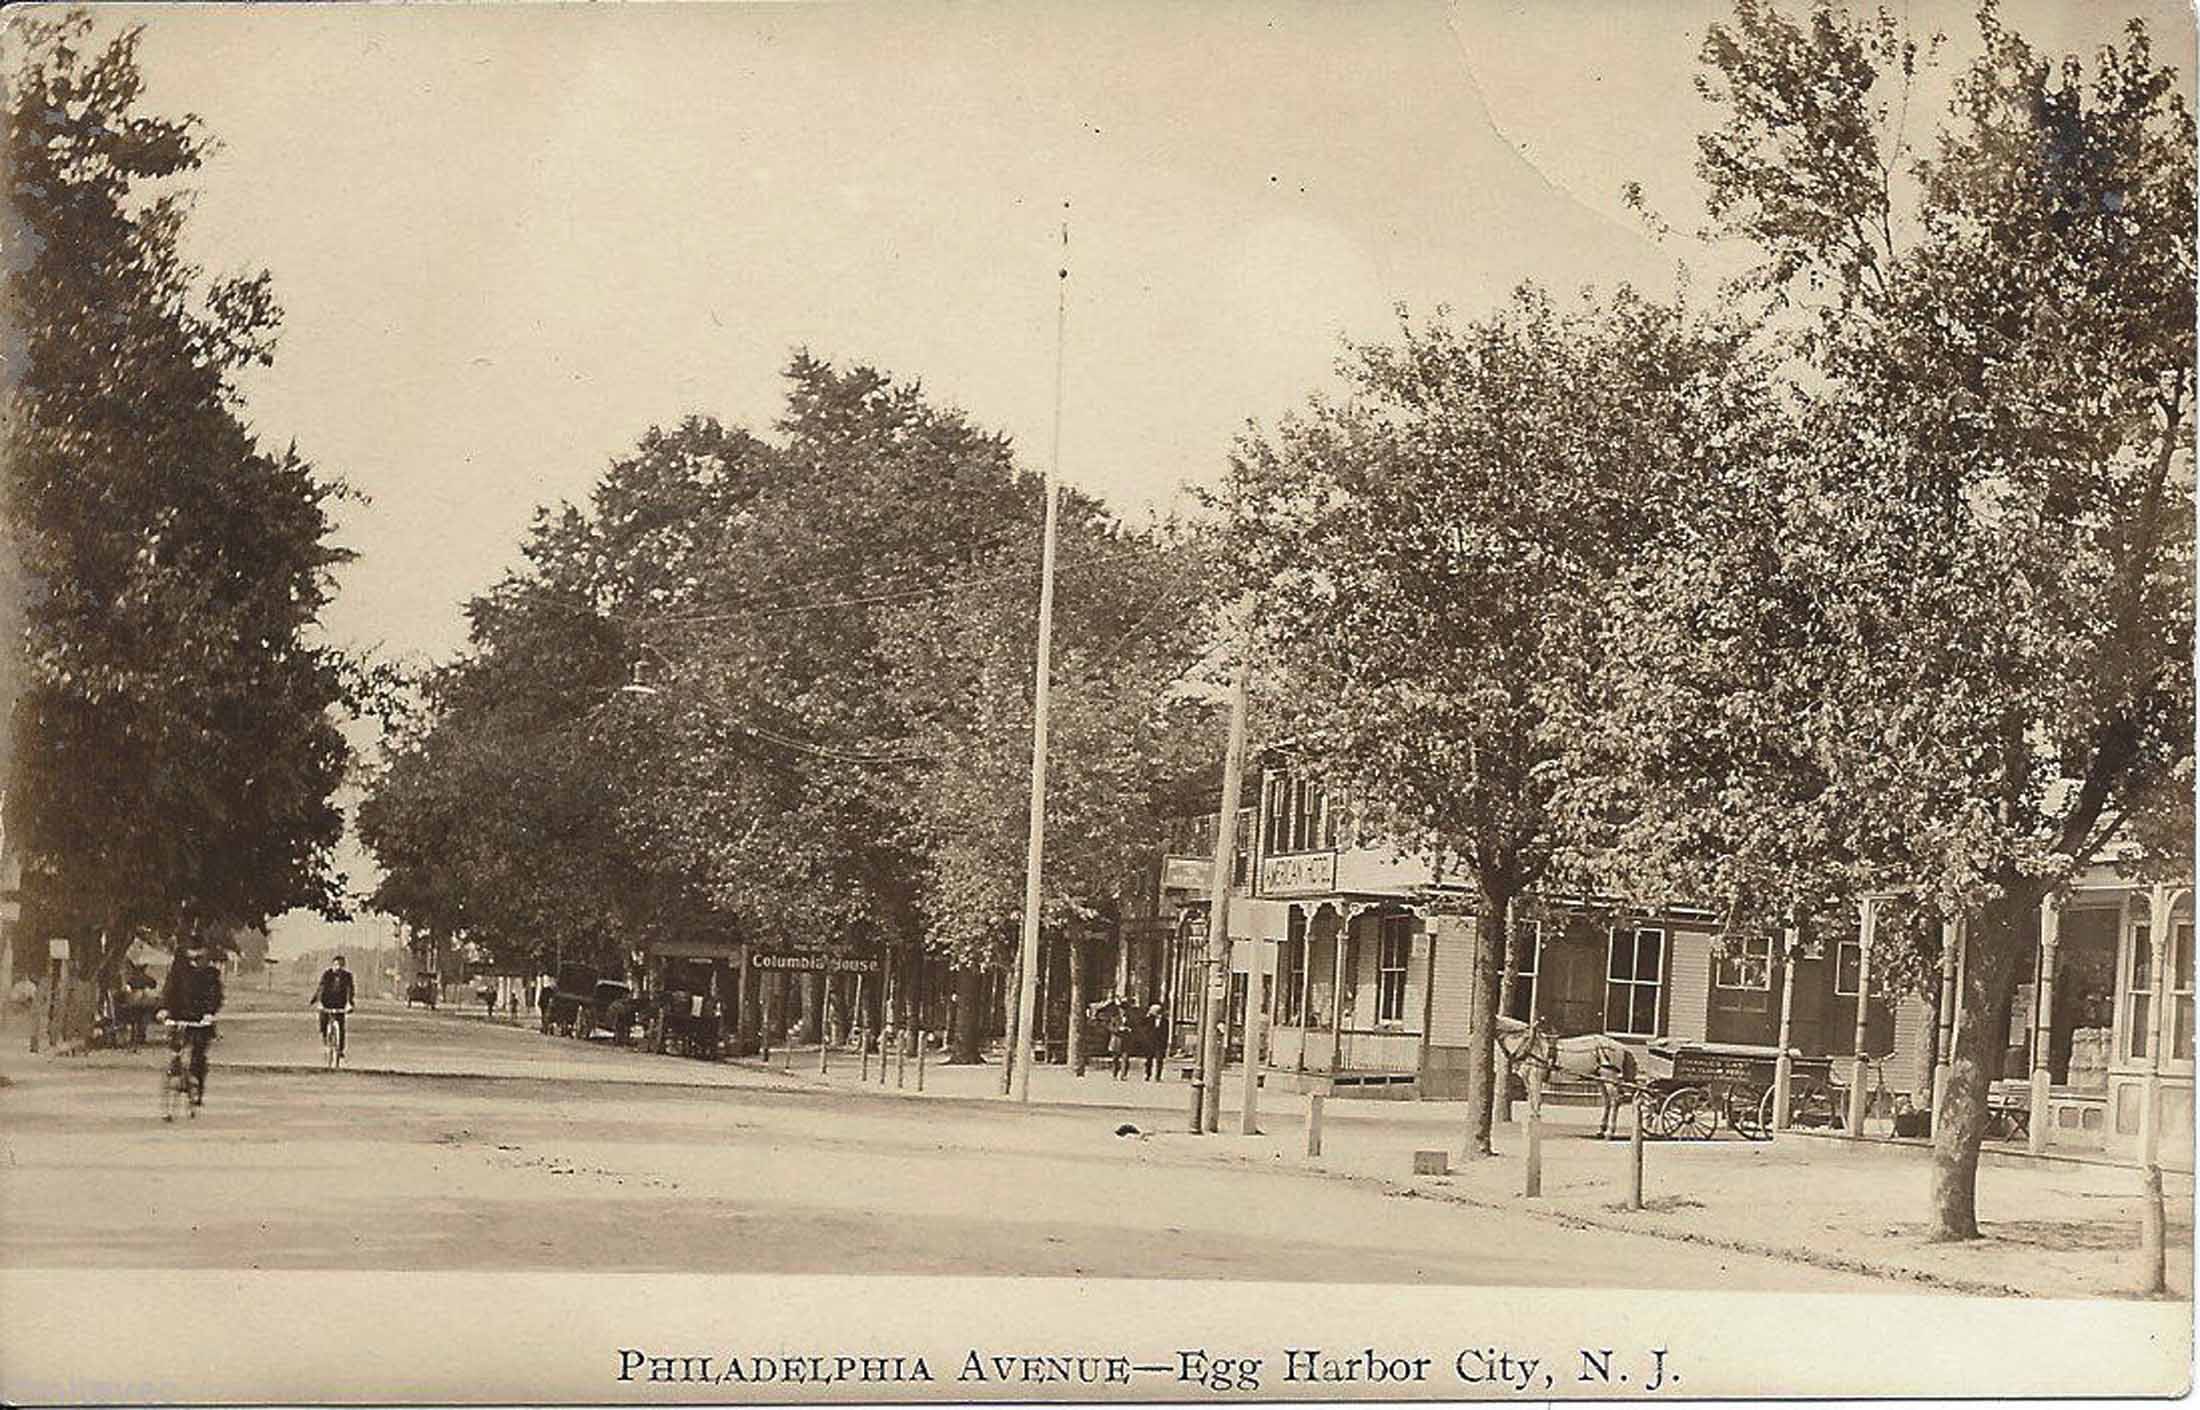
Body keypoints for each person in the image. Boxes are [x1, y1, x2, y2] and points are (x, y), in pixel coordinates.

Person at [158, 941, 225, 1107]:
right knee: (175, 1047)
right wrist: (164, 1009)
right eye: (191, 957)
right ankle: (174, 1071)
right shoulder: (177, 973)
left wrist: (209, 1013)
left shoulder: (211, 975)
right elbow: (169, 991)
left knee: (198, 1055)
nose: (195, 961)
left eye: (199, 957)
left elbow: (215, 996)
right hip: (178, 1016)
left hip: (201, 1020)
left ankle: (197, 1087)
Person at [312, 954, 357, 1060]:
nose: (338, 967)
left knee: (341, 1026)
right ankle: (325, 1041)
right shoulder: (327, 974)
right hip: (326, 1002)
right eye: (337, 964)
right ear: (333, 965)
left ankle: (340, 1049)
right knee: (323, 1022)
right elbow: (321, 988)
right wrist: (319, 1002)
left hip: (340, 1003)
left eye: (341, 965)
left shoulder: (347, 976)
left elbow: (350, 990)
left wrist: (349, 1003)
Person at [1141, 1003, 1167, 1081]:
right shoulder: (1149, 1019)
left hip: (1160, 1043)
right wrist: (1147, 1015)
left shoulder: (1165, 1021)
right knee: (1149, 1059)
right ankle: (1147, 1074)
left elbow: (1166, 1033)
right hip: (1150, 1042)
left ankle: (1158, 1076)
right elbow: (1143, 1027)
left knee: (1159, 1060)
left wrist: (1165, 1043)